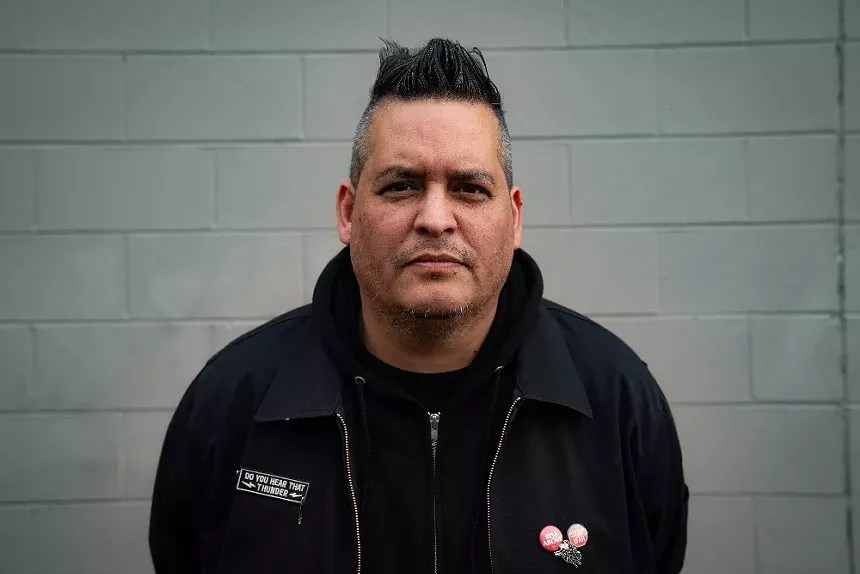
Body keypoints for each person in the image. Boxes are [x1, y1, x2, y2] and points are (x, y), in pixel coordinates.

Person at [149, 38, 688, 574]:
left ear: (515, 218)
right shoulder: (233, 402)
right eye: (402, 186)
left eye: (469, 189)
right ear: (348, 212)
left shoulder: (616, 400)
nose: (435, 218)